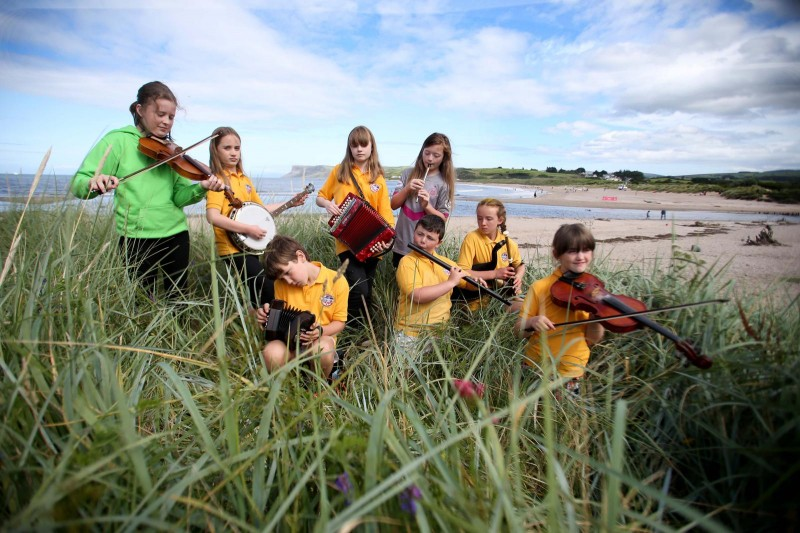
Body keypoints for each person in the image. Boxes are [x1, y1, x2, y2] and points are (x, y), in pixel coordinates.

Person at [70, 81, 224, 298]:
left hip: (176, 234)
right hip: (136, 237)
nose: (166, 122)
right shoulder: (118, 141)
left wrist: (201, 188)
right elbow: (79, 184)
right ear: (140, 110)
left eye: (170, 117)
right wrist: (93, 183)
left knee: (178, 297)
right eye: (160, 114)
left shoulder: (170, 151)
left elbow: (179, 198)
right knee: (143, 300)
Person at [205, 126, 306, 310]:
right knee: (265, 285)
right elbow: (212, 217)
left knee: (258, 289)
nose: (233, 153)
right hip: (232, 249)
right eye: (227, 148)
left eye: (237, 148)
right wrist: (248, 229)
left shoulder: (244, 180)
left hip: (250, 246)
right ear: (215, 150)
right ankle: (266, 325)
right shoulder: (218, 181)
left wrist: (290, 203)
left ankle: (260, 327)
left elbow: (261, 211)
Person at [316, 126, 395, 328]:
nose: (359, 149)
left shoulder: (378, 178)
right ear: (349, 147)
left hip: (371, 244)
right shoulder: (339, 171)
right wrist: (327, 204)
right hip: (346, 242)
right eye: (354, 145)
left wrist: (386, 240)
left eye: (363, 144)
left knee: (367, 288)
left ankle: (362, 331)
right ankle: (345, 326)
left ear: (371, 146)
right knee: (359, 288)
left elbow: (385, 212)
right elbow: (320, 197)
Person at [513, 223, 605, 395]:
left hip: (571, 371)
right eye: (572, 251)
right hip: (536, 366)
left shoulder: (594, 291)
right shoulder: (540, 287)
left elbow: (593, 339)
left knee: (563, 419)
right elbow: (518, 331)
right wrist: (532, 322)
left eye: (586, 250)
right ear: (557, 254)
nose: (580, 257)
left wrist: (597, 315)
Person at [256, 236, 348, 379]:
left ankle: (317, 385)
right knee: (270, 352)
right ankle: (287, 387)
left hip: (320, 340)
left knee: (322, 349)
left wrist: (320, 330)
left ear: (300, 256)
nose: (288, 281)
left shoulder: (336, 280)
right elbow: (279, 321)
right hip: (289, 343)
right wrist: (266, 318)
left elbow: (340, 322)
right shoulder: (280, 284)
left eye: (287, 272)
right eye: (282, 278)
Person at [395, 215, 473, 365]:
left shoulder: (446, 263)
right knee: (405, 379)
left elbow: (467, 282)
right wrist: (450, 283)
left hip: (440, 333)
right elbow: (417, 295)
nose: (422, 241)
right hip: (411, 335)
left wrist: (477, 281)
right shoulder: (407, 262)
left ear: (439, 243)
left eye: (430, 238)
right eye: (420, 234)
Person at [390, 132, 456, 267]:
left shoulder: (444, 183)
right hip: (401, 242)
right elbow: (393, 204)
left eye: (436, 155)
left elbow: (443, 219)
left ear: (444, 158)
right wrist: (407, 188)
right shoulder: (407, 174)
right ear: (422, 152)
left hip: (425, 247)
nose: (430, 158)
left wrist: (427, 206)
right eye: (427, 153)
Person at [454, 198, 525, 312]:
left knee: (527, 310)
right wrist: (495, 273)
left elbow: (520, 265)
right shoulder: (471, 239)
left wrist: (518, 277)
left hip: (506, 294)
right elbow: (462, 271)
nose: (483, 223)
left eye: (489, 219)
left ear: (500, 220)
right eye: (479, 218)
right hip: (479, 297)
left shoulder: (509, 243)